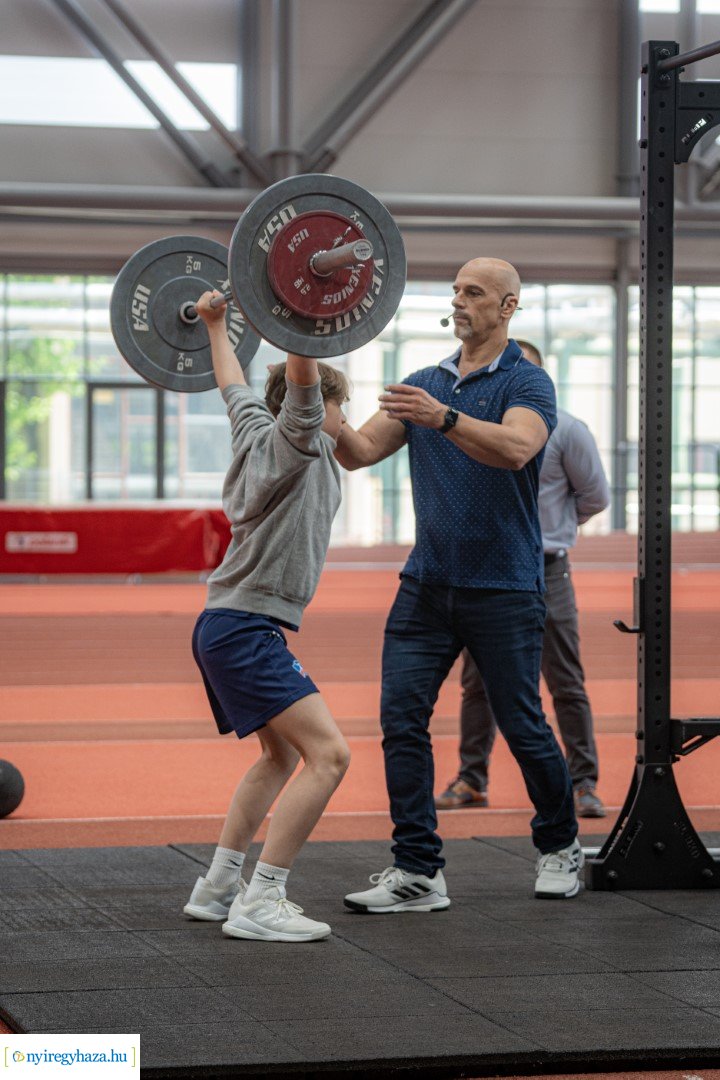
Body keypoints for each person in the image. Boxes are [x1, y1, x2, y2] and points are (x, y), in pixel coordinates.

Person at [337, 258, 582, 907]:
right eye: (455, 291)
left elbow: (516, 449)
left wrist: (441, 417)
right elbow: (356, 453)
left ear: (507, 308)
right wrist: (313, 392)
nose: (459, 302)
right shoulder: (424, 382)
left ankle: (560, 845)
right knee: (400, 719)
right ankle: (417, 868)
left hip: (503, 586)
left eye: (474, 293)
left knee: (523, 724)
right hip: (427, 584)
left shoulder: (528, 383)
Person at [182, 290, 351, 942]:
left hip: (225, 622)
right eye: (342, 407)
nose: (346, 419)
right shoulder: (296, 441)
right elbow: (301, 381)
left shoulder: (255, 429)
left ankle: (218, 886)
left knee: (280, 756)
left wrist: (217, 324)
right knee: (329, 757)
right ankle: (261, 901)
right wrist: (299, 317)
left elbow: (233, 383)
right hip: (245, 627)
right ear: (320, 408)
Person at [435, 340, 610, 819]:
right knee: (477, 683)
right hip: (487, 571)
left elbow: (594, 496)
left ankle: (584, 783)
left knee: (565, 681)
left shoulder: (569, 430)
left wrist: (547, 532)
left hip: (545, 570)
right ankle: (472, 779)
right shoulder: (477, 430)